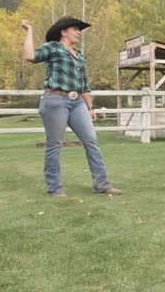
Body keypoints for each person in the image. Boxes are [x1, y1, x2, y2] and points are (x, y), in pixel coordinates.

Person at [21, 16, 122, 197]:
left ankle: (101, 184)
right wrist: (29, 31)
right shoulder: (53, 48)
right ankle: (55, 188)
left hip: (78, 103)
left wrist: (90, 107)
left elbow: (84, 85)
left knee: (91, 141)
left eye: (79, 30)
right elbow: (30, 56)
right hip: (55, 101)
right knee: (55, 144)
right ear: (64, 32)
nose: (78, 33)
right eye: (75, 29)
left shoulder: (79, 55)